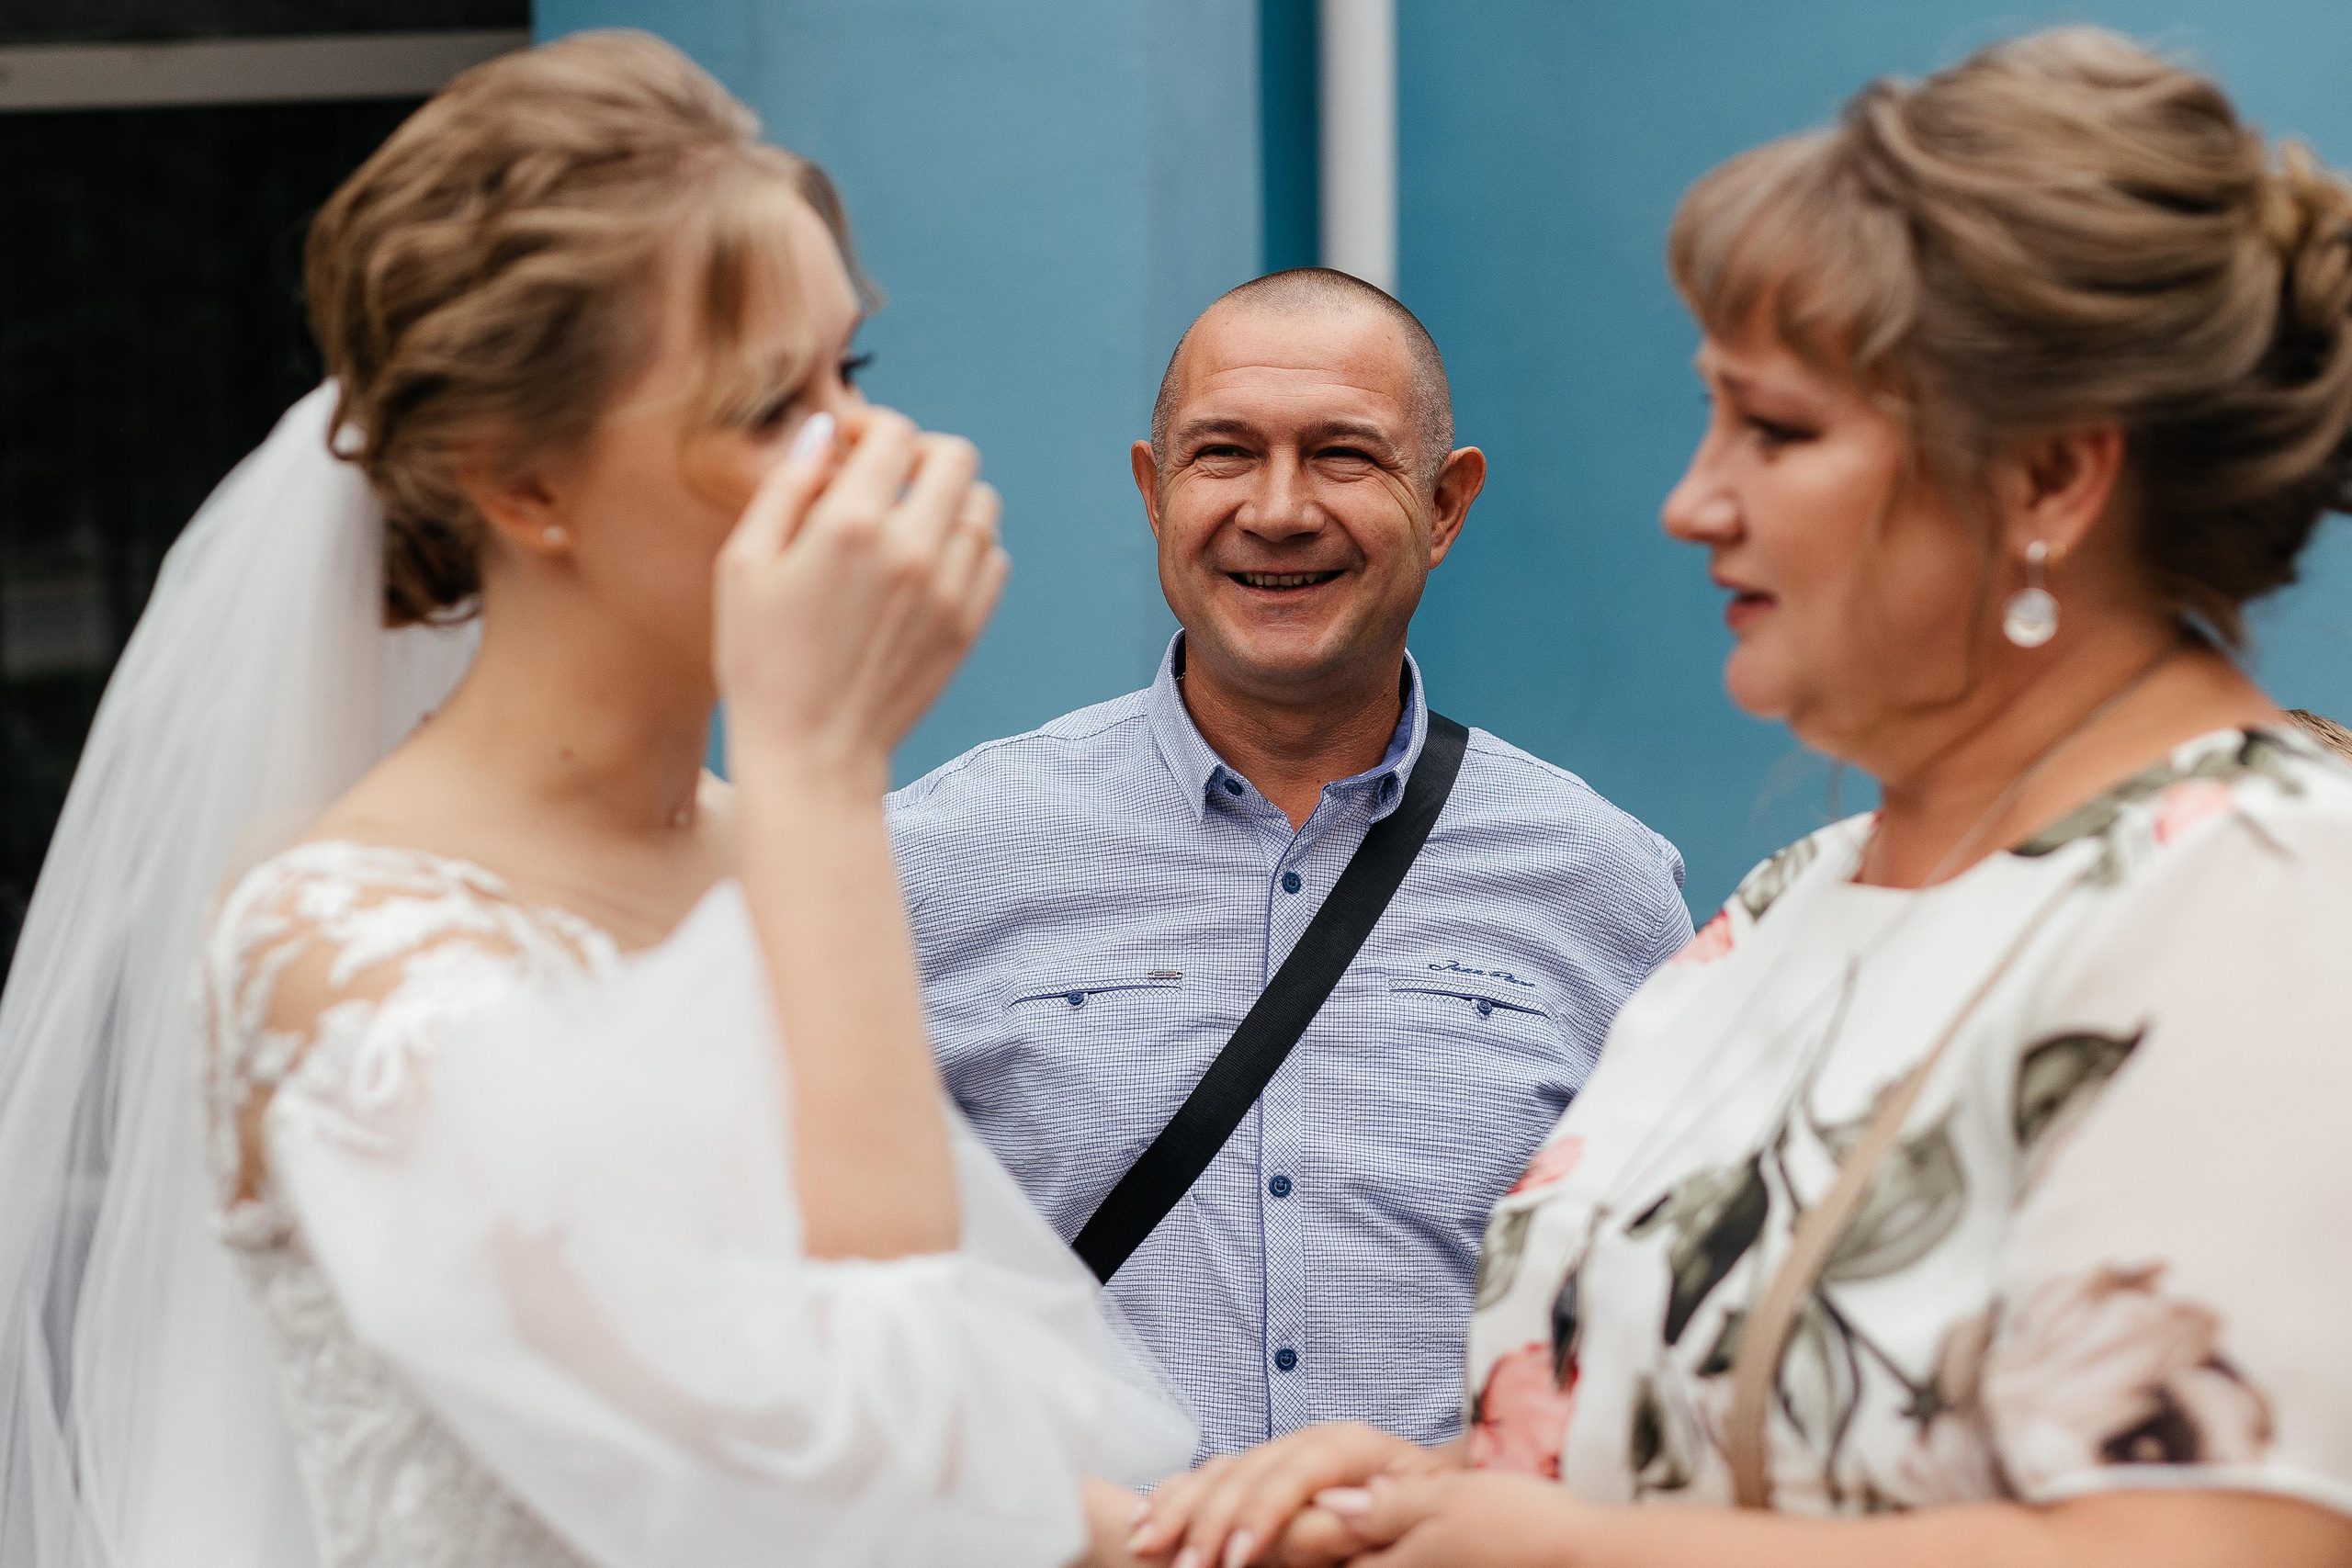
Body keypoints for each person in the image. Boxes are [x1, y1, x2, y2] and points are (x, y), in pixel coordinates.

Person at [1123, 28, 2352, 1568]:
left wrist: (1561, 1552)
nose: (1692, 502)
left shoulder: (2268, 892)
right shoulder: (1788, 910)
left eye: (1776, 432)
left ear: (2047, 482)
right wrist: (1443, 1492)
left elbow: (2218, 1548)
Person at [0, 32, 1190, 1568]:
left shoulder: (766, 840)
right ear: (525, 487)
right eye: (774, 408)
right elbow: (887, 1476)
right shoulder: (345, 951)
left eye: (857, 374)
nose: (876, 455)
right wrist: (823, 770)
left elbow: (1019, 1472)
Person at [888, 268, 1691, 1461]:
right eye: (1223, 454)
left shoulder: (1601, 885)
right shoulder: (935, 864)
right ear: (1153, 494)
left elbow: (1667, 1323)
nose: (1277, 509)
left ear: (1445, 503)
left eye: (1343, 456)